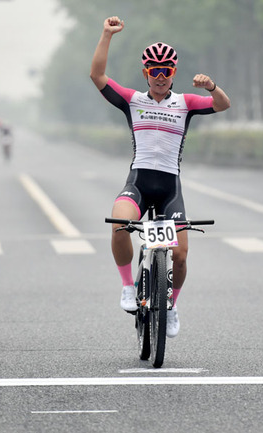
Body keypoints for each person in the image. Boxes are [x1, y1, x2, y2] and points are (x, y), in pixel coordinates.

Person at [90, 16, 230, 338]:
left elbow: (223, 104)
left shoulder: (186, 103)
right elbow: (97, 75)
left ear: (173, 73)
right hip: (138, 183)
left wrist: (210, 86)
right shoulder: (132, 100)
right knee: (119, 225)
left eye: (166, 71)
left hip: (169, 190)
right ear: (146, 73)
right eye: (154, 71)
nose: (160, 77)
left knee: (180, 256)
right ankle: (128, 287)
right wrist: (107, 34)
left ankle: (171, 303)